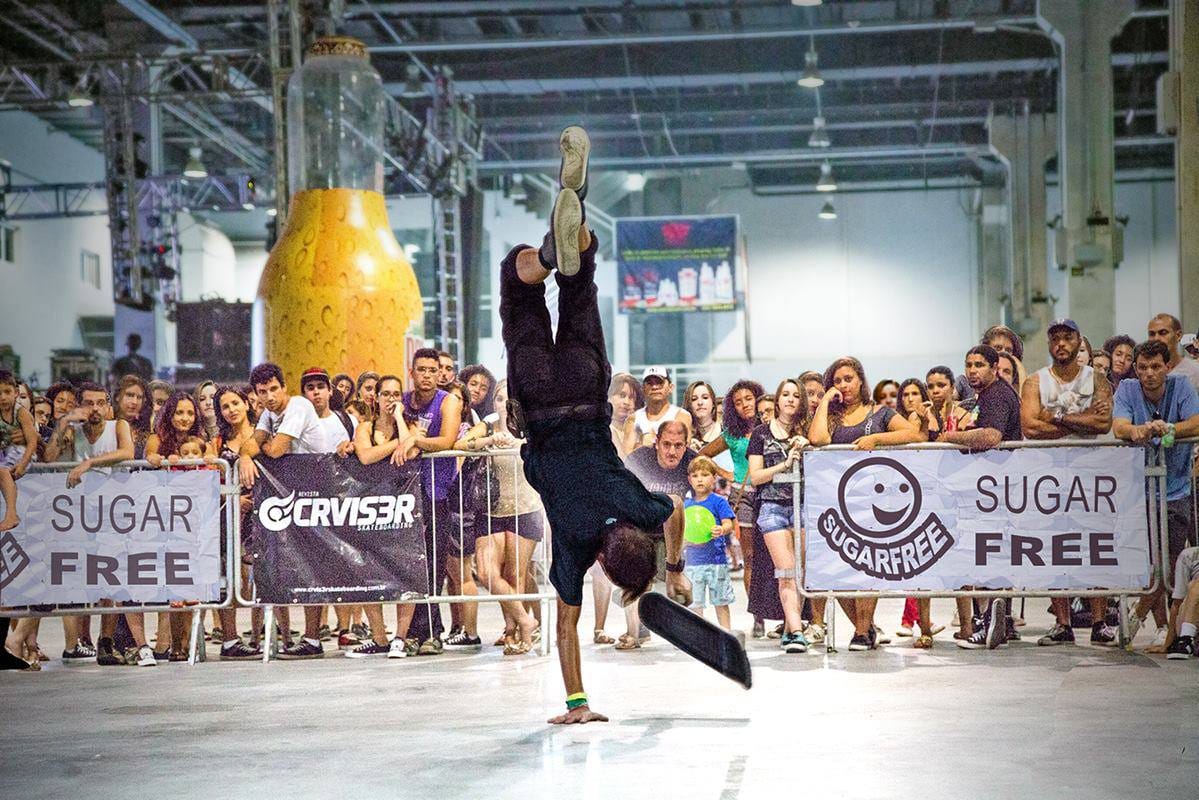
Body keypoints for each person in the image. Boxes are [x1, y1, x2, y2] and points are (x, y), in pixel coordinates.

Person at [499, 126, 691, 724]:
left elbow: (675, 510)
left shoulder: (638, 507)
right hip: (539, 404)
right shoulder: (578, 545)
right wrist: (578, 704)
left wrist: (675, 567)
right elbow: (566, 627)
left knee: (579, 283)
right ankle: (542, 256)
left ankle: (565, 239)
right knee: (518, 288)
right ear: (605, 562)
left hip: (585, 391)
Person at [809, 356, 923, 650]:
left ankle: (861, 631)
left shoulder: (880, 413)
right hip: (835, 499)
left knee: (867, 568)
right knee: (837, 569)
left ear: (861, 380)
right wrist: (825, 401)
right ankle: (867, 627)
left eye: (848, 379)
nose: (844, 385)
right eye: (837, 381)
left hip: (873, 500)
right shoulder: (831, 417)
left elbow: (913, 433)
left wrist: (877, 440)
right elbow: (817, 439)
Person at [1021, 319, 1117, 647]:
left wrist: (1057, 417)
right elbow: (1030, 427)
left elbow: (1102, 423)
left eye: (1067, 338)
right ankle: (1063, 623)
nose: (1061, 344)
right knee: (1054, 547)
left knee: (1095, 546)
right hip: (1050, 476)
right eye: (1056, 339)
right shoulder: (1035, 382)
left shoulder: (1097, 380)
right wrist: (1081, 421)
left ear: (1078, 342)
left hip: (1090, 476)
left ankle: (1099, 621)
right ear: (1049, 344)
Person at [42, 382, 151, 666]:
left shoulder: (118, 426)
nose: (95, 409)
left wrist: (88, 463)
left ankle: (106, 639)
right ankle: (81, 640)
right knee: (81, 578)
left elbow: (127, 452)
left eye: (100, 403)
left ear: (108, 405)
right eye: (89, 403)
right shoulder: (72, 431)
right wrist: (64, 422)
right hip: (77, 515)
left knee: (110, 576)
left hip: (111, 513)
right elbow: (48, 458)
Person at [238, 362, 330, 659]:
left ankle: (313, 638)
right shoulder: (268, 413)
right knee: (289, 565)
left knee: (314, 567)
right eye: (262, 392)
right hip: (294, 495)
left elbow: (275, 450)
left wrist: (259, 448)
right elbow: (250, 445)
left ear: (284, 387)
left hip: (319, 493)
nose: (269, 397)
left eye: (274, 389)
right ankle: (292, 634)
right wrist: (245, 458)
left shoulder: (299, 406)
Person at [1112, 339, 1199, 649]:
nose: (1149, 373)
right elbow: (1120, 426)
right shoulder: (1127, 390)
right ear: (1136, 370)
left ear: (1167, 367)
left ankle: (1145, 620)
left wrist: (1170, 429)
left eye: (1156, 367)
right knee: (1148, 563)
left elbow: (1196, 422)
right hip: (1138, 491)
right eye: (1143, 367)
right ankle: (1159, 625)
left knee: (1171, 562)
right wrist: (1136, 430)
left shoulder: (1182, 386)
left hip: (1177, 488)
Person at [935, 346, 1023, 649]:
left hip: (996, 489)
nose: (972, 370)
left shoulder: (996, 394)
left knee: (989, 555)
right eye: (969, 365)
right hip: (987, 488)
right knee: (986, 555)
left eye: (980, 365)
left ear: (994, 367)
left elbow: (991, 436)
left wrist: (950, 437)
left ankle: (989, 624)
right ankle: (994, 624)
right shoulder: (985, 395)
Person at [456, 379, 544, 654]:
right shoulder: (489, 424)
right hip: (491, 507)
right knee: (486, 572)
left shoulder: (531, 426)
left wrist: (520, 443)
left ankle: (514, 632)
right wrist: (489, 440)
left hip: (525, 506)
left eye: (509, 399)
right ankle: (525, 620)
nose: (504, 405)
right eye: (498, 399)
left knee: (515, 573)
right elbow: (462, 442)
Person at [346, 374, 422, 659]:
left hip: (402, 506)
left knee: (406, 570)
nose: (391, 399)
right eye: (386, 394)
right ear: (375, 398)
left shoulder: (409, 424)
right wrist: (399, 444)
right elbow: (366, 457)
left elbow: (411, 451)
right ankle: (378, 637)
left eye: (396, 394)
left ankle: (400, 638)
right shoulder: (364, 427)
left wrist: (401, 421)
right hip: (370, 506)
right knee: (367, 570)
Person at [398, 348, 464, 656]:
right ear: (411, 372)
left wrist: (415, 440)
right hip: (403, 495)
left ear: (440, 374)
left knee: (434, 566)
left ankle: (427, 632)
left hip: (437, 492)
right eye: (421, 369)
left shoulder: (447, 401)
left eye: (432, 370)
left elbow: (447, 440)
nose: (426, 375)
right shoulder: (402, 402)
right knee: (409, 566)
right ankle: (421, 632)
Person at [747, 377, 812, 653]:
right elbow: (755, 477)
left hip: (802, 506)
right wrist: (784, 464)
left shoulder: (806, 431)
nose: (790, 399)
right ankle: (796, 632)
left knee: (801, 572)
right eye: (785, 394)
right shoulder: (761, 433)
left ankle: (789, 627)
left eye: (796, 395)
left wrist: (807, 443)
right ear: (777, 399)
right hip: (772, 507)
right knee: (786, 571)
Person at [699, 380, 766, 636]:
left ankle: (783, 616)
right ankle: (758, 616)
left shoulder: (770, 427)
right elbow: (703, 455)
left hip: (771, 493)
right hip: (743, 495)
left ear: (758, 399)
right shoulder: (732, 434)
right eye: (738, 402)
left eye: (748, 399)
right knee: (750, 557)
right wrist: (726, 474)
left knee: (774, 558)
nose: (744, 405)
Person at [621, 419, 695, 650]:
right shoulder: (638, 460)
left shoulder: (692, 462)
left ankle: (682, 622)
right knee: (635, 577)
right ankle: (635, 631)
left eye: (678, 446)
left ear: (686, 445)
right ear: (657, 443)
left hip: (673, 533)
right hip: (640, 529)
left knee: (679, 588)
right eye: (667, 445)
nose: (672, 452)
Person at [209, 385, 264, 660]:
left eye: (235, 403)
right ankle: (230, 639)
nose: (231, 410)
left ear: (246, 403)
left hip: (264, 514)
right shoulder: (217, 442)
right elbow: (208, 480)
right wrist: (233, 499)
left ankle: (258, 636)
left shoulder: (263, 433)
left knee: (260, 578)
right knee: (230, 577)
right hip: (228, 517)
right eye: (225, 407)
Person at [682, 456, 736, 631]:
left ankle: (726, 632)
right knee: (694, 603)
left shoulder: (719, 501)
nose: (700, 479)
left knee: (721, 601)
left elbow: (729, 523)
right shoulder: (686, 505)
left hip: (717, 561)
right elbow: (682, 529)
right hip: (692, 562)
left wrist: (722, 529)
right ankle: (698, 635)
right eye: (695, 475)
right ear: (689, 479)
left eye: (705, 475)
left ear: (714, 478)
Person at [623, 366, 692, 452]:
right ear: (643, 389)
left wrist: (648, 445)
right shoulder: (633, 419)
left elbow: (682, 452)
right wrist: (643, 445)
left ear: (671, 387)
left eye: (660, 383)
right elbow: (626, 455)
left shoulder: (681, 416)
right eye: (650, 383)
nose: (654, 387)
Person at [0, 371, 36, 533]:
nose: (3, 397)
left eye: (7, 392)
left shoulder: (21, 413)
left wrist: (23, 464)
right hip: (8, 452)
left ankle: (11, 515)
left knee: (3, 472)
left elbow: (32, 442)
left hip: (25, 453)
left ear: (15, 393)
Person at [957, 325, 1025, 402]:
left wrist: (1020, 370)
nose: (1003, 353)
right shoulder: (965, 381)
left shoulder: (1016, 384)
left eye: (1008, 350)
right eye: (998, 348)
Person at [1147, 313, 1199, 394]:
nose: (1156, 339)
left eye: (1163, 333)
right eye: (1152, 334)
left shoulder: (1195, 371)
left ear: (1178, 335)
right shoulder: (1144, 371)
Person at [113, 375, 152, 458]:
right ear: (117, 397)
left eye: (139, 397)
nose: (134, 402)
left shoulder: (148, 430)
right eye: (129, 395)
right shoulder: (106, 424)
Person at [607, 372, 642, 459]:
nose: (626, 402)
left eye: (631, 397)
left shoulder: (641, 431)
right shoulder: (603, 430)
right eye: (622, 395)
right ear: (609, 397)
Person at [684, 380, 722, 450]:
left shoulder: (727, 434)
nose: (700, 403)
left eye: (705, 397)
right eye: (694, 399)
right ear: (688, 404)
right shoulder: (682, 434)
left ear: (713, 403)